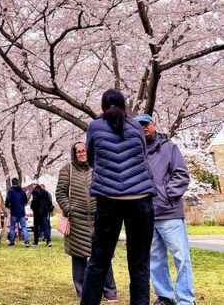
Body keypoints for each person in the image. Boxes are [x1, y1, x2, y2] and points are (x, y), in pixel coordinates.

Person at [81, 89, 155, 305]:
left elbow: (92, 158)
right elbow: (142, 154)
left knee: (98, 262)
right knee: (139, 262)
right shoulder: (135, 126)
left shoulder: (95, 126)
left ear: (103, 107)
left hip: (108, 198)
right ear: (124, 105)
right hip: (140, 197)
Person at [135, 114, 196, 305]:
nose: (143, 128)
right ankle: (165, 296)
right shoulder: (135, 151)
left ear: (154, 125)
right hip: (146, 215)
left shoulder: (169, 147)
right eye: (139, 126)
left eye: (146, 124)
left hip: (169, 213)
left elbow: (181, 174)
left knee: (181, 257)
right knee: (155, 259)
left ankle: (186, 299)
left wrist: (166, 194)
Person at [56, 142, 118, 301]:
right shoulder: (67, 170)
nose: (82, 154)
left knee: (103, 254)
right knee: (78, 256)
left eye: (84, 151)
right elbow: (60, 193)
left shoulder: (97, 168)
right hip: (77, 219)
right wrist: (69, 209)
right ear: (74, 154)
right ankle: (83, 290)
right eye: (79, 152)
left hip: (98, 218)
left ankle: (110, 290)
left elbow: (106, 188)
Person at [5, 177, 30, 248]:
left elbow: (7, 200)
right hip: (21, 211)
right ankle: (27, 242)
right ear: (18, 182)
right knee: (24, 227)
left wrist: (8, 206)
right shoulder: (22, 191)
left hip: (14, 211)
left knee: (12, 227)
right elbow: (26, 200)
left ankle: (12, 243)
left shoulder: (11, 191)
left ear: (12, 183)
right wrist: (22, 204)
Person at [30, 180, 53, 247]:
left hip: (37, 211)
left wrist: (32, 207)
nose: (32, 186)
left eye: (32, 185)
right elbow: (49, 202)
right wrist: (49, 210)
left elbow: (35, 201)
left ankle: (36, 241)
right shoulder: (45, 192)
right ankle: (48, 241)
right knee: (46, 226)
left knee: (36, 227)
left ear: (35, 185)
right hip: (45, 211)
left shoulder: (34, 191)